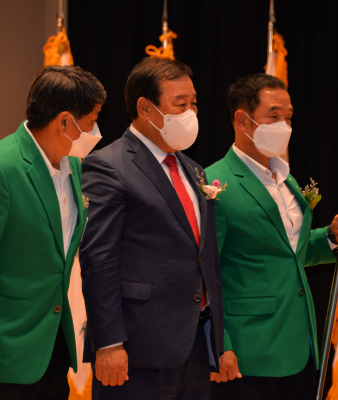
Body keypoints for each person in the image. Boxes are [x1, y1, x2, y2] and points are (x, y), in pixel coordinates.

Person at [0, 65, 106, 400]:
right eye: (91, 120)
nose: (94, 130)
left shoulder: (73, 165)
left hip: (50, 355)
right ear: (65, 122)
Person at [205, 73, 338, 400]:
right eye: (273, 116)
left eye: (288, 118)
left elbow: (288, 252)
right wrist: (218, 345)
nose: (284, 127)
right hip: (247, 351)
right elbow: (204, 274)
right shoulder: (215, 183)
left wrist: (331, 237)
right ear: (242, 120)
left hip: (298, 344)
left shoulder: (286, 178)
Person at [79, 56, 224, 400]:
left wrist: (218, 340)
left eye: (194, 104)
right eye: (180, 105)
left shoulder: (194, 170)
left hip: (195, 346)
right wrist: (109, 343)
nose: (191, 113)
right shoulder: (108, 166)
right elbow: (98, 261)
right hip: (137, 349)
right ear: (145, 108)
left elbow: (204, 258)